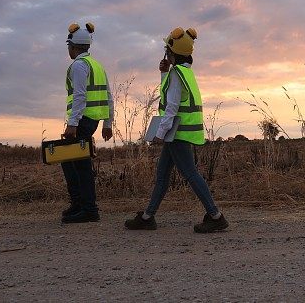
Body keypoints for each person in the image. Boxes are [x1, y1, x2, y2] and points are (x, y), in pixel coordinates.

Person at [125, 27, 228, 232]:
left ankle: (216, 216)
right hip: (180, 132)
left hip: (176, 133)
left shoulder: (176, 75)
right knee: (163, 175)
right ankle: (147, 217)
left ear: (171, 53)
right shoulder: (185, 73)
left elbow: (171, 107)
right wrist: (163, 73)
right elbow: (171, 98)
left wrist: (159, 134)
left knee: (190, 173)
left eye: (167, 51)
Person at [61, 22, 114, 223]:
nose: (68, 49)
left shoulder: (79, 66)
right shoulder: (97, 66)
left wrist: (72, 124)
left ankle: (89, 209)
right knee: (68, 159)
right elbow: (109, 96)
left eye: (69, 46)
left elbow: (80, 96)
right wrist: (108, 123)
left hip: (82, 121)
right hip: (92, 121)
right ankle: (79, 204)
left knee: (80, 165)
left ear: (73, 46)